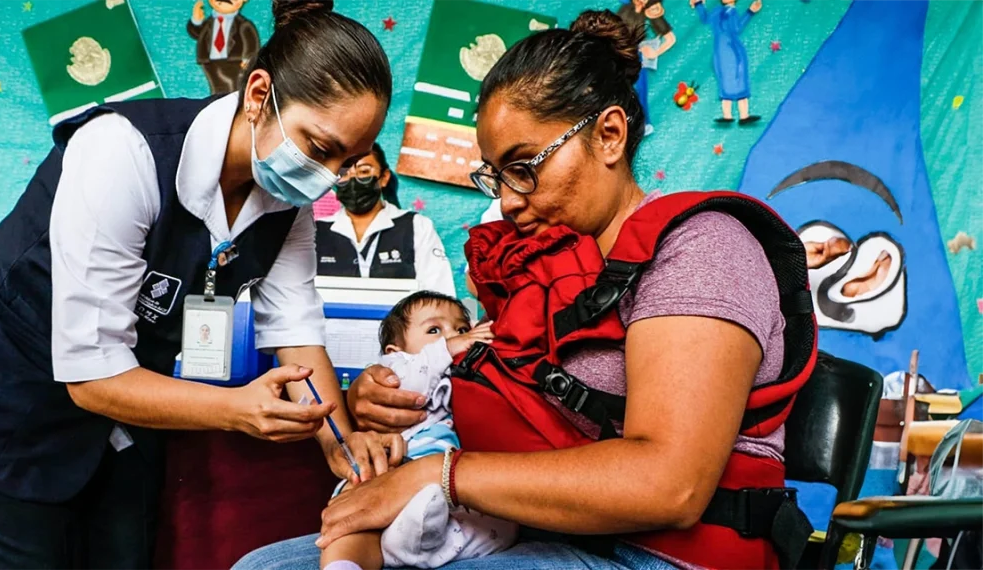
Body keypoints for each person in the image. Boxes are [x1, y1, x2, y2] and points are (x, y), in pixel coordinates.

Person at [236, 8, 814, 570]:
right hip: (537, 534)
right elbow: (489, 384)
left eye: (523, 165)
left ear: (609, 135)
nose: (508, 200)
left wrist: (439, 474)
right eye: (495, 173)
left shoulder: (704, 248)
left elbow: (671, 484)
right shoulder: (552, 271)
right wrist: (387, 395)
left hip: (653, 553)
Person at [0, 1, 400, 568]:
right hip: (16, 383)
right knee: (34, 551)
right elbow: (93, 378)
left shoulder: (286, 202)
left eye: (346, 160)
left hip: (135, 387)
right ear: (258, 94)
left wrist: (339, 444)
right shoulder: (122, 153)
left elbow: (293, 325)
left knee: (130, 547)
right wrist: (235, 410)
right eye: (319, 148)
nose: (328, 178)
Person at [320, 292, 512, 570]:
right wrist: (452, 346)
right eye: (434, 330)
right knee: (351, 519)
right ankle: (344, 565)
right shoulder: (396, 368)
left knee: (497, 525)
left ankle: (414, 547)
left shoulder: (468, 367)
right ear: (394, 351)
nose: (453, 336)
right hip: (395, 465)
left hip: (454, 480)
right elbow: (416, 379)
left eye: (461, 328)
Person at [317, 145, 456, 296]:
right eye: (344, 173)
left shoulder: (416, 226)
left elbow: (439, 292)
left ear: (384, 177)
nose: (353, 180)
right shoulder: (316, 232)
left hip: (399, 319)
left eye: (364, 171)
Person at [692, 0, 763, 124]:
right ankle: (728, 115)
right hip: (723, 50)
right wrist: (698, 4)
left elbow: (737, 28)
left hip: (731, 49)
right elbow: (706, 19)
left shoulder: (731, 11)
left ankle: (743, 115)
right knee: (726, 79)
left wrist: (751, 12)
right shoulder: (719, 10)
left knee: (738, 78)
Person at [617, 0, 677, 135]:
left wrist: (655, 52)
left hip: (636, 58)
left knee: (638, 91)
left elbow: (671, 39)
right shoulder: (626, 7)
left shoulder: (650, 12)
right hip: (618, 54)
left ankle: (643, 124)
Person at [187, 0, 260, 95]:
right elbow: (197, 34)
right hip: (209, 63)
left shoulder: (243, 24)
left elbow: (251, 43)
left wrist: (248, 59)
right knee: (216, 90)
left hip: (234, 63)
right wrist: (196, 20)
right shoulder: (209, 23)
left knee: (233, 88)